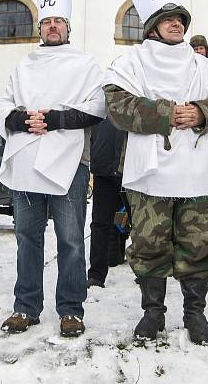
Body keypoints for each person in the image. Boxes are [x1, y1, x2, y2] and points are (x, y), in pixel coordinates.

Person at [104, 0, 208, 345]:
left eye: (180, 18)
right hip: (151, 174)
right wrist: (164, 114)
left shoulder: (202, 66)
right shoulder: (131, 62)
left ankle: (195, 313)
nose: (176, 23)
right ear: (152, 26)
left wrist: (203, 113)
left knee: (198, 245)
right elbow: (115, 104)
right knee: (150, 245)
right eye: (168, 18)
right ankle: (153, 312)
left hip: (199, 173)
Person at [0, 0, 105, 337]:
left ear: (68, 25)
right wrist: (21, 119)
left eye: (59, 20)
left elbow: (98, 108)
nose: (53, 26)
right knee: (27, 237)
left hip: (69, 163)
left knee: (71, 239)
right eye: (47, 21)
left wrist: (57, 118)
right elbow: (3, 106)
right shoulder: (23, 64)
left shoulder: (86, 64)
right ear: (40, 26)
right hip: (26, 161)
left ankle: (71, 309)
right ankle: (26, 306)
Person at [86, 117, 128, 289]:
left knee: (135, 222)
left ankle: (145, 272)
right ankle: (96, 274)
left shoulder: (132, 92)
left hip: (131, 170)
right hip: (103, 169)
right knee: (100, 224)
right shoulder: (97, 98)